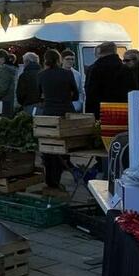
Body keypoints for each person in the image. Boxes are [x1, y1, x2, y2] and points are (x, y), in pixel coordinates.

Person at [38, 49, 79, 190]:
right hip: (65, 112)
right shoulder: (67, 73)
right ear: (58, 60)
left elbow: (38, 95)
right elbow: (76, 94)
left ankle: (51, 180)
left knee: (49, 147)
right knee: (64, 147)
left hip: (48, 113)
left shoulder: (42, 75)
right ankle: (61, 173)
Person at [85, 41, 135, 118]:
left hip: (100, 111)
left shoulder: (94, 68)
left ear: (100, 52)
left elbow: (90, 92)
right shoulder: (125, 69)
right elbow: (132, 90)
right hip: (122, 111)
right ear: (115, 51)